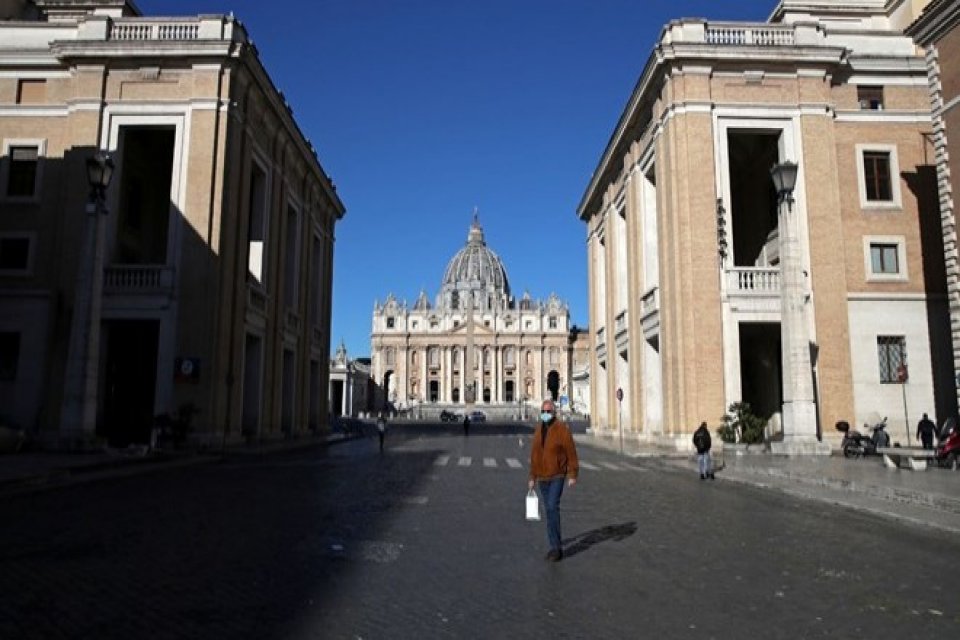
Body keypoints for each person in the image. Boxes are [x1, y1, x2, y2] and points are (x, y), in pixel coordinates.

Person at [528, 399, 579, 562]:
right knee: (549, 511)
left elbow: (571, 452)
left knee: (552, 506)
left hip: (557, 474)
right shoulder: (538, 430)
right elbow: (535, 455)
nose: (546, 414)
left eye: (548, 412)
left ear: (554, 413)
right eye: (543, 411)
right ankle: (553, 544)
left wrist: (572, 474)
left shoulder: (562, 429)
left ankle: (556, 548)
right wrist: (532, 477)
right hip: (542, 476)